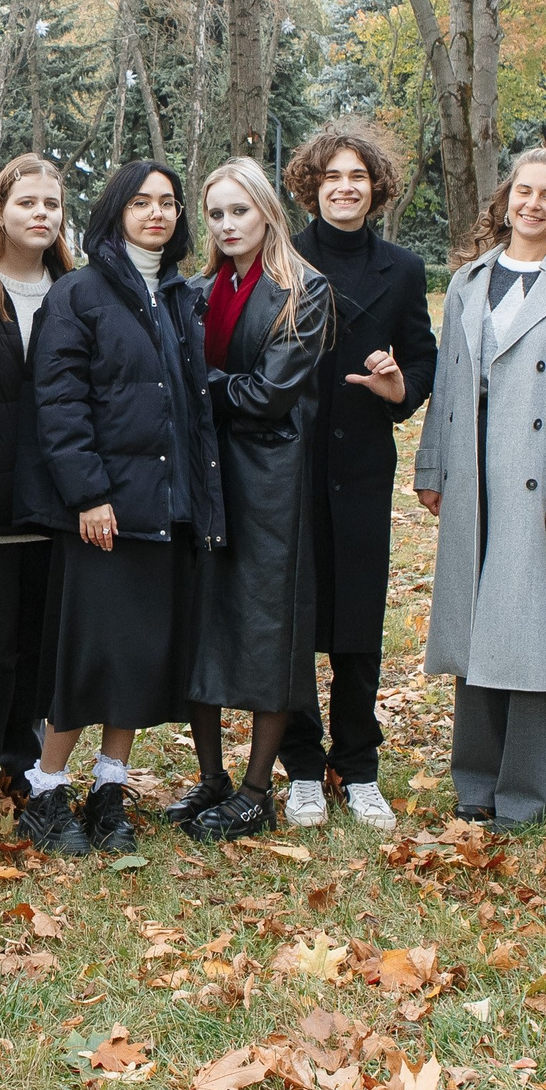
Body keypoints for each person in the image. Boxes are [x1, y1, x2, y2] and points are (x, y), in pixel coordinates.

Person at [15, 160, 224, 857]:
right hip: (104, 508)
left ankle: (109, 789)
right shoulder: (80, 294)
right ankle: (44, 792)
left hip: (166, 507)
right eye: (141, 202)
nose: (157, 213)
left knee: (135, 659)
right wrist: (89, 492)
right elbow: (60, 403)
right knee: (89, 657)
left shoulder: (178, 297)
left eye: (168, 202)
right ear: (115, 211)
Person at [415, 146, 546, 830]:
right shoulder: (471, 278)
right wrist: (433, 467)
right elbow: (447, 384)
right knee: (477, 626)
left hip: (541, 476)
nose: (532, 204)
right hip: (473, 468)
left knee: (534, 630)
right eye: (523, 191)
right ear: (505, 199)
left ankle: (528, 792)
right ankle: (475, 780)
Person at [274, 119, 437, 832]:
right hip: (290, 464)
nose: (345, 188)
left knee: (359, 623)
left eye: (358, 178)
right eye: (332, 177)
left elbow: (424, 357)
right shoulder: (284, 257)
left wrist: (399, 386)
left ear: (376, 189)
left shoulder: (401, 268)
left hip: (365, 462)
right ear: (311, 186)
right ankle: (304, 767)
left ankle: (360, 765)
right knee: (297, 617)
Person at [180, 160, 332, 841]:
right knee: (202, 617)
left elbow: (271, 394)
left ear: (267, 211)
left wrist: (197, 385)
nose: (227, 224)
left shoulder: (304, 289)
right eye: (216, 213)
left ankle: (254, 787)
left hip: (269, 478)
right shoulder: (194, 290)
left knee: (269, 625)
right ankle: (210, 777)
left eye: (239, 210)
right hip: (202, 474)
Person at [0, 154, 74, 800]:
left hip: (58, 499)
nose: (41, 214)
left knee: (39, 638)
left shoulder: (76, 289)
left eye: (52, 204)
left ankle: (25, 763)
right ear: (0, 210)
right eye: (27, 202)